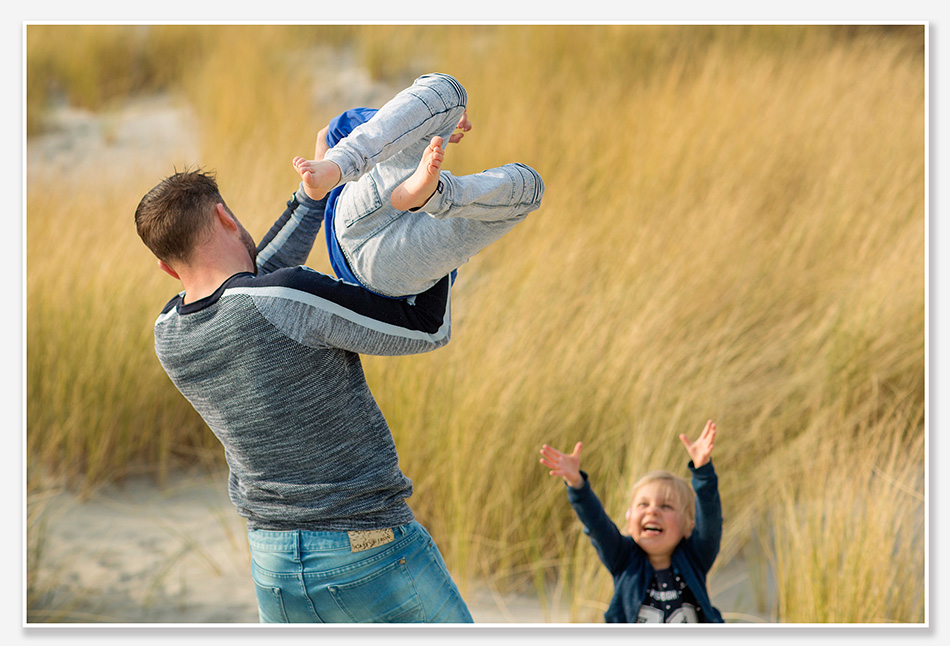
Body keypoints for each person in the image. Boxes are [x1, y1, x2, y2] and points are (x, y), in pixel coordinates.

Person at [134, 164, 472, 621]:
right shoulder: (283, 296)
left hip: (273, 568)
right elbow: (428, 328)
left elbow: (243, 281)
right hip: (365, 551)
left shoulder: (167, 334)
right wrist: (433, 215)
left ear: (164, 265)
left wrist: (311, 197)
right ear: (226, 218)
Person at [291, 71, 544, 299]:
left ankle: (343, 170)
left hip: (377, 255)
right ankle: (434, 195)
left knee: (530, 186)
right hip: (387, 265)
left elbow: (331, 134)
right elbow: (329, 133)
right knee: (532, 187)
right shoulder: (363, 130)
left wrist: (422, 123)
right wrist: (423, 119)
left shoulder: (258, 276)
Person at [539, 421, 724, 623]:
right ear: (629, 518)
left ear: (689, 525)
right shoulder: (624, 558)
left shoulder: (695, 558)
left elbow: (710, 521)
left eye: (666, 506)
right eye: (643, 504)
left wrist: (703, 472)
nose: (652, 510)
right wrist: (577, 484)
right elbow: (597, 525)